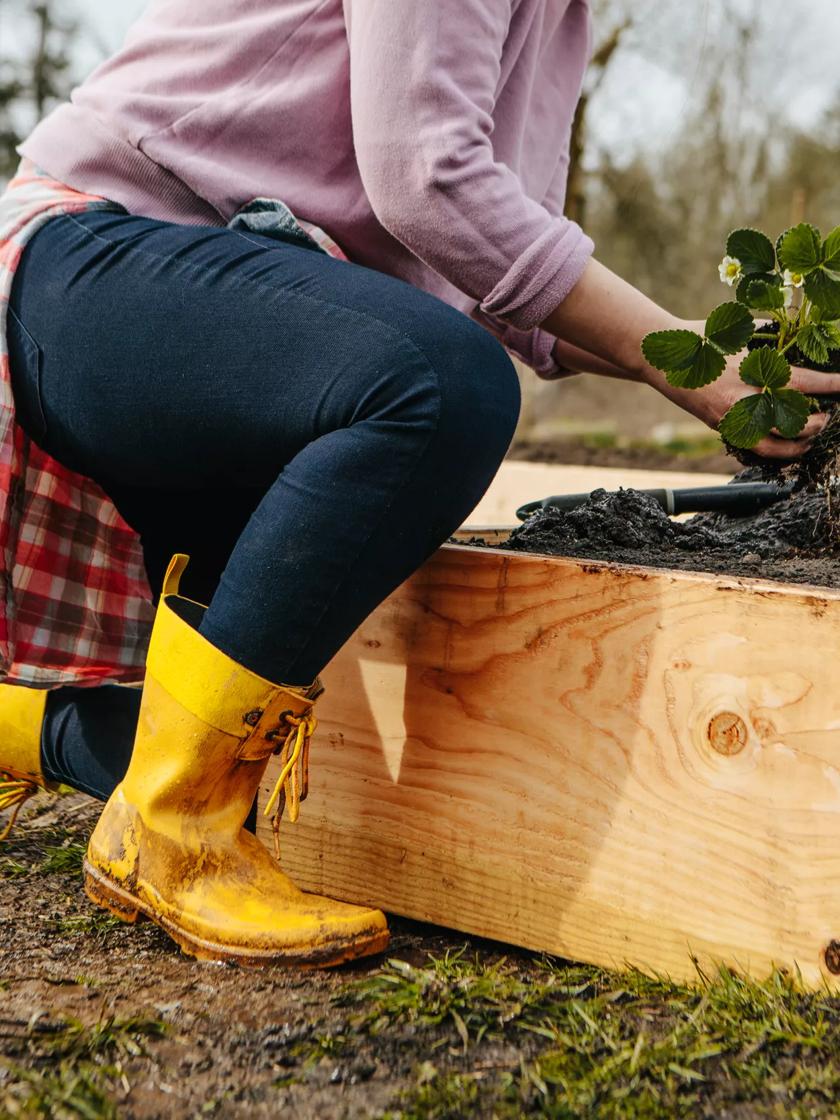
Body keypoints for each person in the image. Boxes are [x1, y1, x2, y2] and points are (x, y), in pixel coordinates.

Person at [1, 0, 838, 967]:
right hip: (105, 264)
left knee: (190, 739)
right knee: (440, 388)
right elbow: (426, 181)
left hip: (230, 301)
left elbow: (493, 271)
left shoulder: (557, 18)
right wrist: (678, 365)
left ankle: (35, 723)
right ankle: (171, 828)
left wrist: (706, 347)